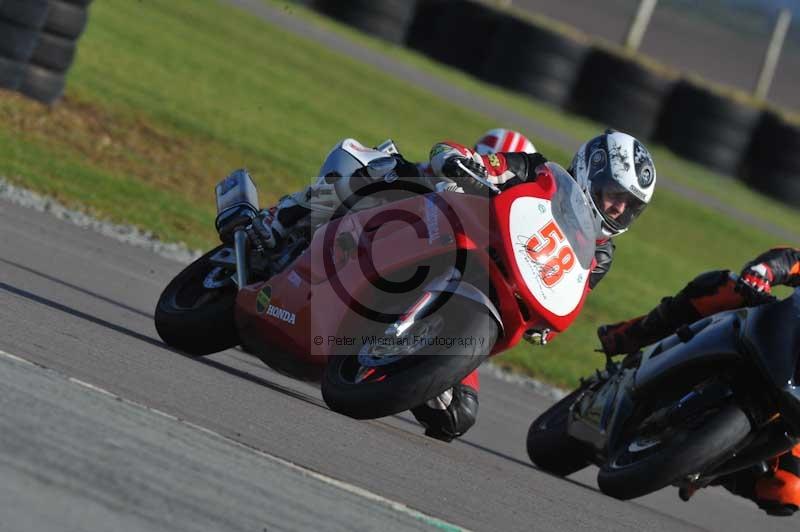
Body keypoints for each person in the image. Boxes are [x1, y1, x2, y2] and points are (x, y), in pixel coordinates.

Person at [250, 128, 657, 442]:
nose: (618, 207)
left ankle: (400, 354)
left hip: (485, 298)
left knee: (456, 416)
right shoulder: (539, 172)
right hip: (445, 233)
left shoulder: (600, 256)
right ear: (591, 170)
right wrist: (463, 162)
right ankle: (285, 218)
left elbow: (571, 291)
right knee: (383, 171)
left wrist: (543, 326)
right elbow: (484, 161)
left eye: (630, 205)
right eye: (614, 193)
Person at [597, 247, 800, 516]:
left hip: (791, 410)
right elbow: (793, 260)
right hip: (777, 341)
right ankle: (632, 334)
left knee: (787, 492)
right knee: (727, 288)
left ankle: (709, 468)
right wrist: (764, 272)